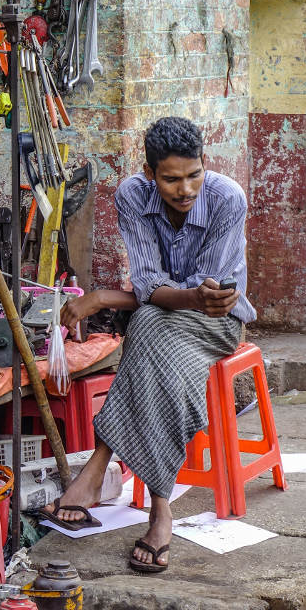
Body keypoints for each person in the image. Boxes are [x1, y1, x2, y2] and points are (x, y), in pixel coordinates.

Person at [44, 116, 256, 573]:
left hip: (215, 324)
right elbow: (148, 285)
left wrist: (111, 296)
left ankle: (100, 473)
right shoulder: (132, 195)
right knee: (149, 328)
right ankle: (160, 508)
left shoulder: (227, 200)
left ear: (206, 165)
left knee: (145, 327)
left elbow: (212, 301)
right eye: (172, 179)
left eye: (194, 174)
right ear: (149, 173)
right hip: (162, 317)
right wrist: (174, 294)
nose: (186, 189)